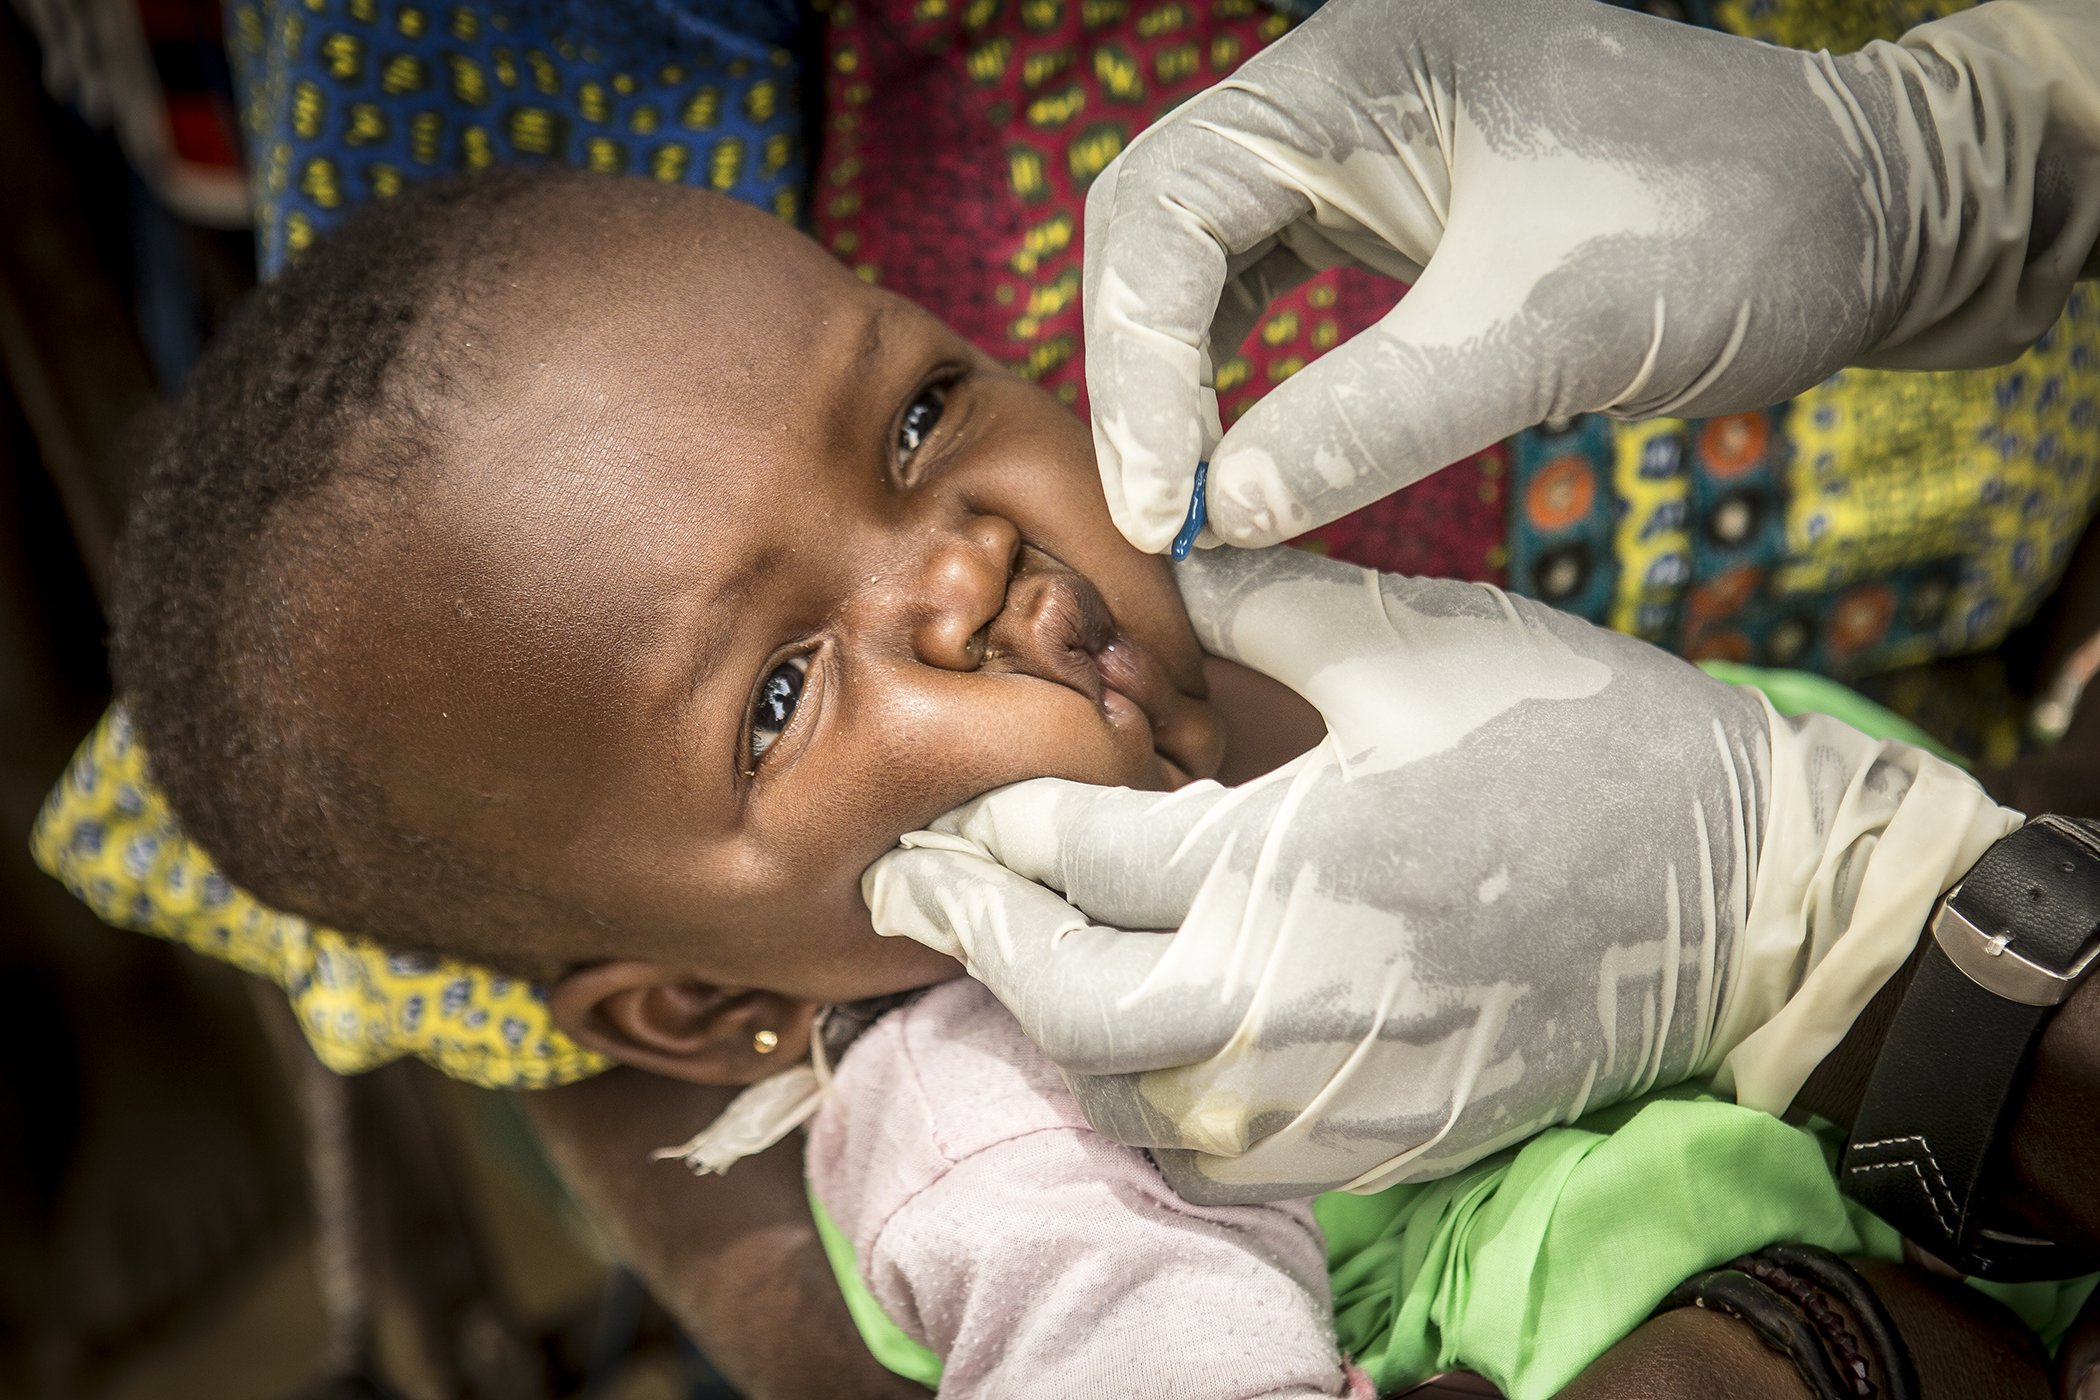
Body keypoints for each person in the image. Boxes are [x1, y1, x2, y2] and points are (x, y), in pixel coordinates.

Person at [98, 168, 2080, 1397]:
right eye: (779, 693)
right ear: (705, 1008)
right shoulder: (1005, 1124)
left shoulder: (1322, 631)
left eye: (919, 413)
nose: (961, 564)